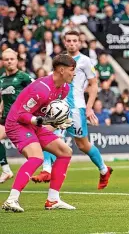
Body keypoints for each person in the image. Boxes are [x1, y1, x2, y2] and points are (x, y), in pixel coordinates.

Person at [32, 31, 113, 190]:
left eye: (75, 40)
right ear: (64, 42)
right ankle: (46, 170)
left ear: (79, 42)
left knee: (83, 145)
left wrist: (89, 108)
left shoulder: (85, 61)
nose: (71, 43)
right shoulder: (59, 60)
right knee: (46, 134)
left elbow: (94, 84)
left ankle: (104, 170)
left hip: (76, 108)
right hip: (58, 106)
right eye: (68, 40)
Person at [2, 54, 76, 212]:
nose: (74, 73)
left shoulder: (64, 89)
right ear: (61, 70)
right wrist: (40, 121)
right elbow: (22, 114)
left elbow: (47, 114)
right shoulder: (41, 88)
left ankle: (53, 200)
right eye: (72, 70)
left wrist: (57, 122)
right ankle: (11, 200)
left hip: (35, 123)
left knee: (65, 152)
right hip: (17, 123)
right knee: (37, 157)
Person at [0, 49, 34, 183]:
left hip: (20, 119)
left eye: (12, 59)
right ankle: (6, 170)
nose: (9, 61)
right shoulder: (1, 79)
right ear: (3, 62)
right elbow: (5, 97)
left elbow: (37, 89)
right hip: (6, 118)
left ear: (17, 61)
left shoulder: (23, 77)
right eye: (6, 59)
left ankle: (49, 165)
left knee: (31, 153)